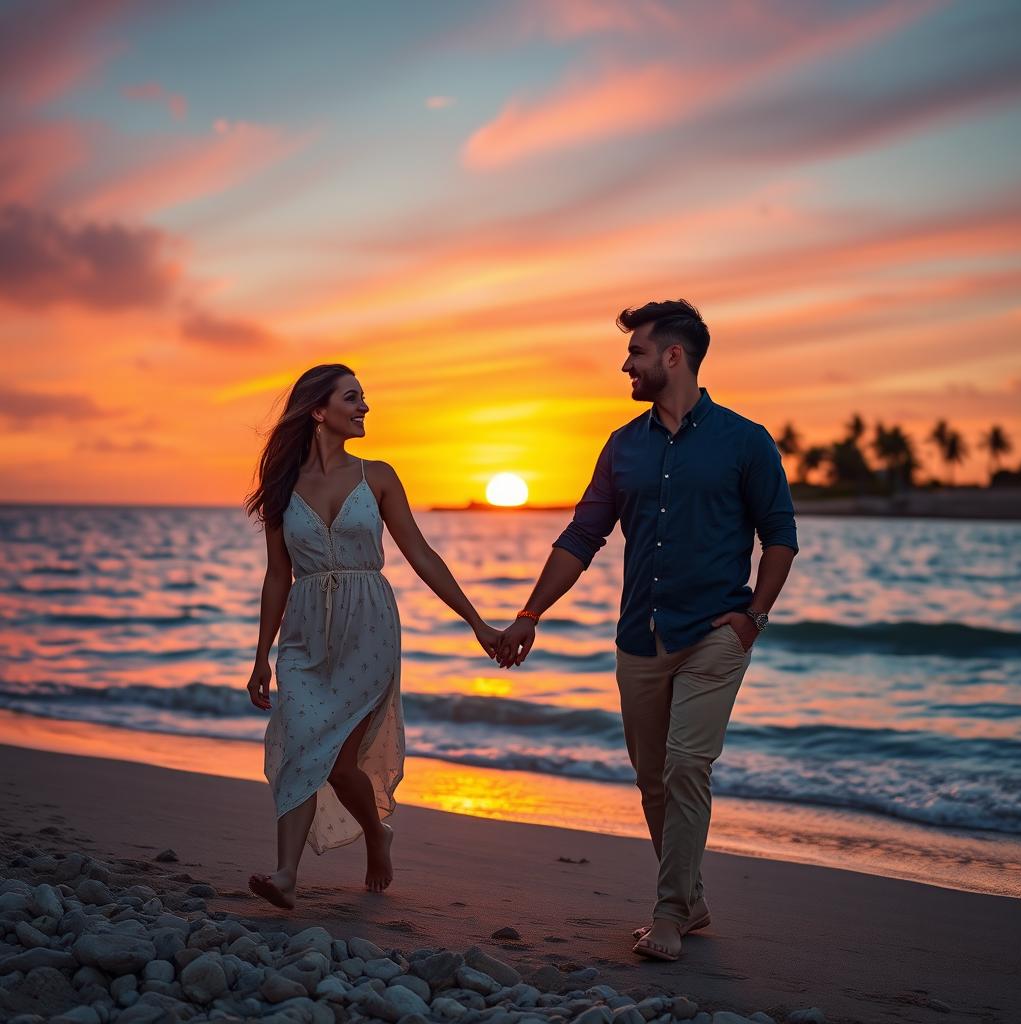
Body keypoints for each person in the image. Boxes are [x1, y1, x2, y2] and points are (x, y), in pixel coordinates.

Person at [497, 300, 798, 961]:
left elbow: (780, 536)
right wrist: (529, 614)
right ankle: (692, 903)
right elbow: (584, 535)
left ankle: (666, 915)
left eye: (636, 352)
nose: (625, 363)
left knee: (688, 765)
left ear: (672, 356)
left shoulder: (745, 441)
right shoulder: (622, 445)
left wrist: (754, 618)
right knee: (653, 780)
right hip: (640, 637)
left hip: (716, 632)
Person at [244, 363, 501, 909]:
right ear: (319, 410)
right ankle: (286, 874)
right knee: (298, 749)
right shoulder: (282, 488)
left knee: (338, 763)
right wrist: (262, 654)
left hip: (369, 627)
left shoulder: (378, 475)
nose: (365, 408)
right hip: (305, 633)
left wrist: (477, 622)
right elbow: (276, 575)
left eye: (363, 398)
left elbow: (422, 555)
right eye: (353, 398)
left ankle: (377, 835)